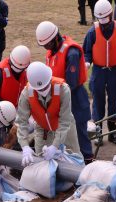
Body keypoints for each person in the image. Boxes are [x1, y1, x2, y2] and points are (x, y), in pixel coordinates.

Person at [36, 21, 94, 164]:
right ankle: (69, 159)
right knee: (61, 131)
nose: (46, 48)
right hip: (59, 97)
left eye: (48, 45)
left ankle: (87, 160)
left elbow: (71, 83)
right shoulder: (51, 52)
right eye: (44, 46)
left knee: (79, 131)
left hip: (75, 97)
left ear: (56, 38)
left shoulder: (71, 53)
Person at [16, 61, 81, 167]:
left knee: (74, 158)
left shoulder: (63, 89)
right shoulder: (26, 93)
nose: (43, 90)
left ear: (50, 79)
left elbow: (65, 121)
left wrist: (55, 146)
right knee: (40, 161)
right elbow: (21, 122)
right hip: (43, 129)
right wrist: (25, 146)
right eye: (39, 89)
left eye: (45, 87)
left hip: (65, 127)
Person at [83, 0, 116, 146]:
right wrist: (87, 62)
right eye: (100, 19)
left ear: (111, 14)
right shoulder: (92, 31)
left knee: (114, 102)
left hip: (114, 71)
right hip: (98, 71)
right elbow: (87, 51)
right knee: (98, 102)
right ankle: (98, 133)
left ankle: (113, 134)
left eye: (105, 19)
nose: (103, 23)